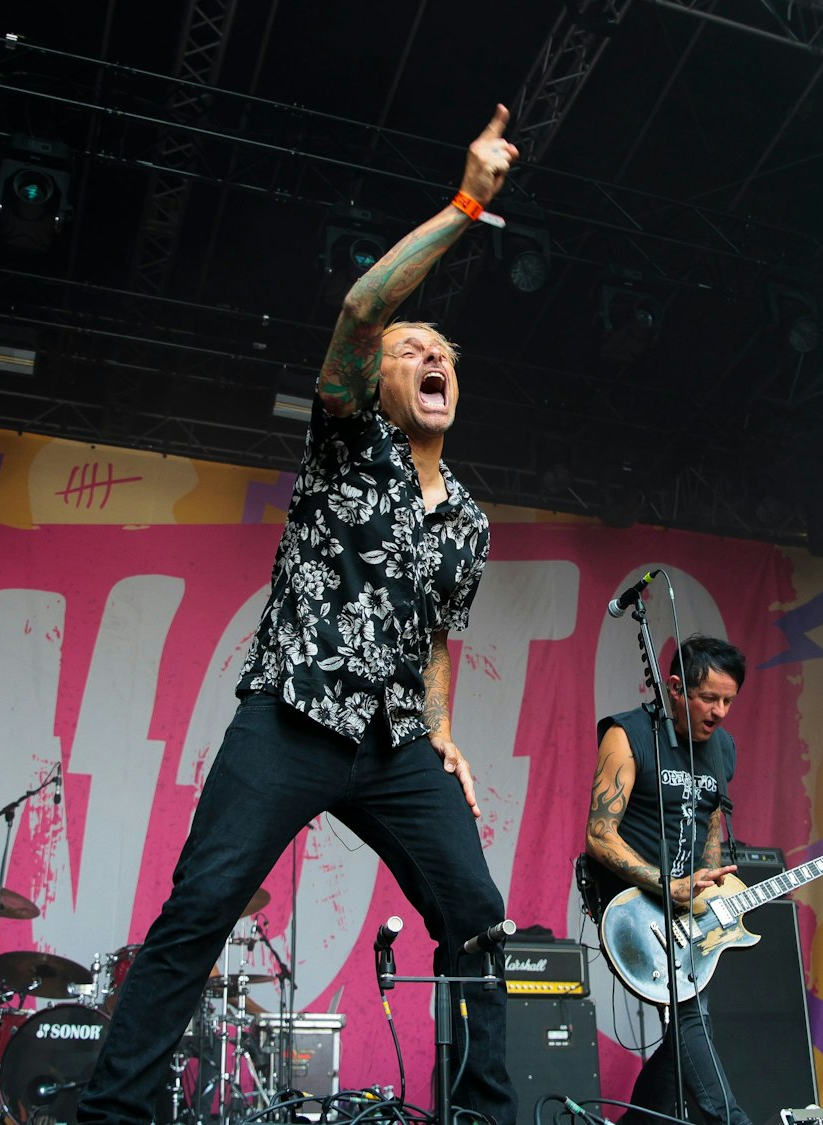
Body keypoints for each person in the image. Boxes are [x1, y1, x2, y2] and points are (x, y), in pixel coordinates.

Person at [74, 107, 520, 1125]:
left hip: (396, 744)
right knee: (199, 909)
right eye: (409, 351)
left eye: (440, 352)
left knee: (477, 918)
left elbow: (437, 638)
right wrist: (467, 203)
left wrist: (443, 730)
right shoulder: (344, 439)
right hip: (293, 717)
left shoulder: (470, 520)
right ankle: (112, 1114)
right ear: (379, 380)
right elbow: (363, 306)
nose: (428, 357)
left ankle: (483, 1114)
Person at [585, 634, 751, 1125]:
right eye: (709, 698)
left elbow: (712, 822)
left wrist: (712, 883)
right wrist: (666, 884)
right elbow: (598, 835)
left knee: (688, 1032)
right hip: (634, 905)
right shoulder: (628, 734)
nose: (720, 712)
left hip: (690, 907)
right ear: (675, 688)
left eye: (729, 701)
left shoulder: (723, 748)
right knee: (691, 1016)